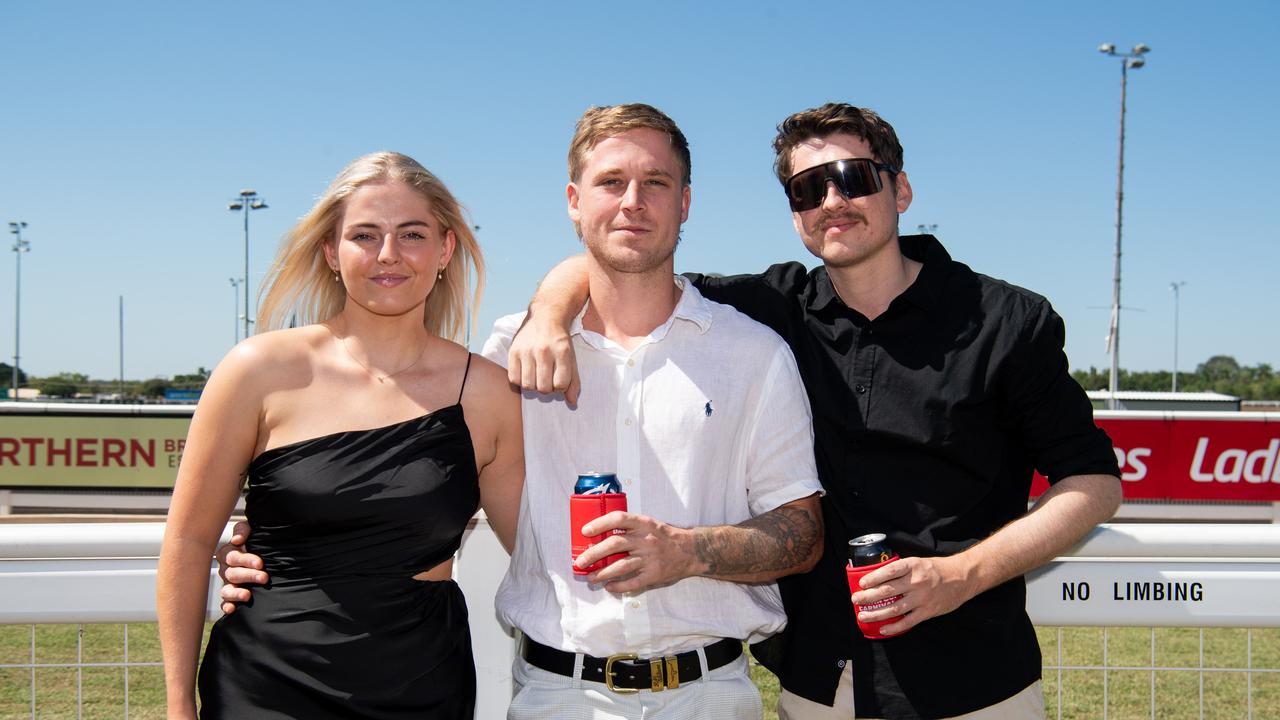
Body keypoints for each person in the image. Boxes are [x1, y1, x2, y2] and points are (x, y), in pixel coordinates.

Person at [508, 103, 1123, 719]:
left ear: (900, 189)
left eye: (855, 177)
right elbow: (622, 257)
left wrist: (961, 574)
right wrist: (550, 315)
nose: (832, 200)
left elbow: (1093, 483)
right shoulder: (773, 310)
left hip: (973, 679)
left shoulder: (1007, 322)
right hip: (819, 681)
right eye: (808, 189)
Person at [220, 104, 824, 720]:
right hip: (557, 695)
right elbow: (409, 483)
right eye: (611, 182)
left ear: (686, 202)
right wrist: (282, 540)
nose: (633, 202)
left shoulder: (754, 354)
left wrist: (686, 551)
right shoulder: (506, 358)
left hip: (711, 694)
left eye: (657, 183)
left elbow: (802, 536)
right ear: (573, 199)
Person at [157, 151, 523, 720]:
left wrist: (558, 299)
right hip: (263, 686)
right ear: (332, 251)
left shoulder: (489, 394)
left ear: (446, 249)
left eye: (412, 234)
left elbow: (543, 547)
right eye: (365, 234)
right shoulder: (257, 370)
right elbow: (185, 543)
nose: (388, 255)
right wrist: (180, 706)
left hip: (420, 689)